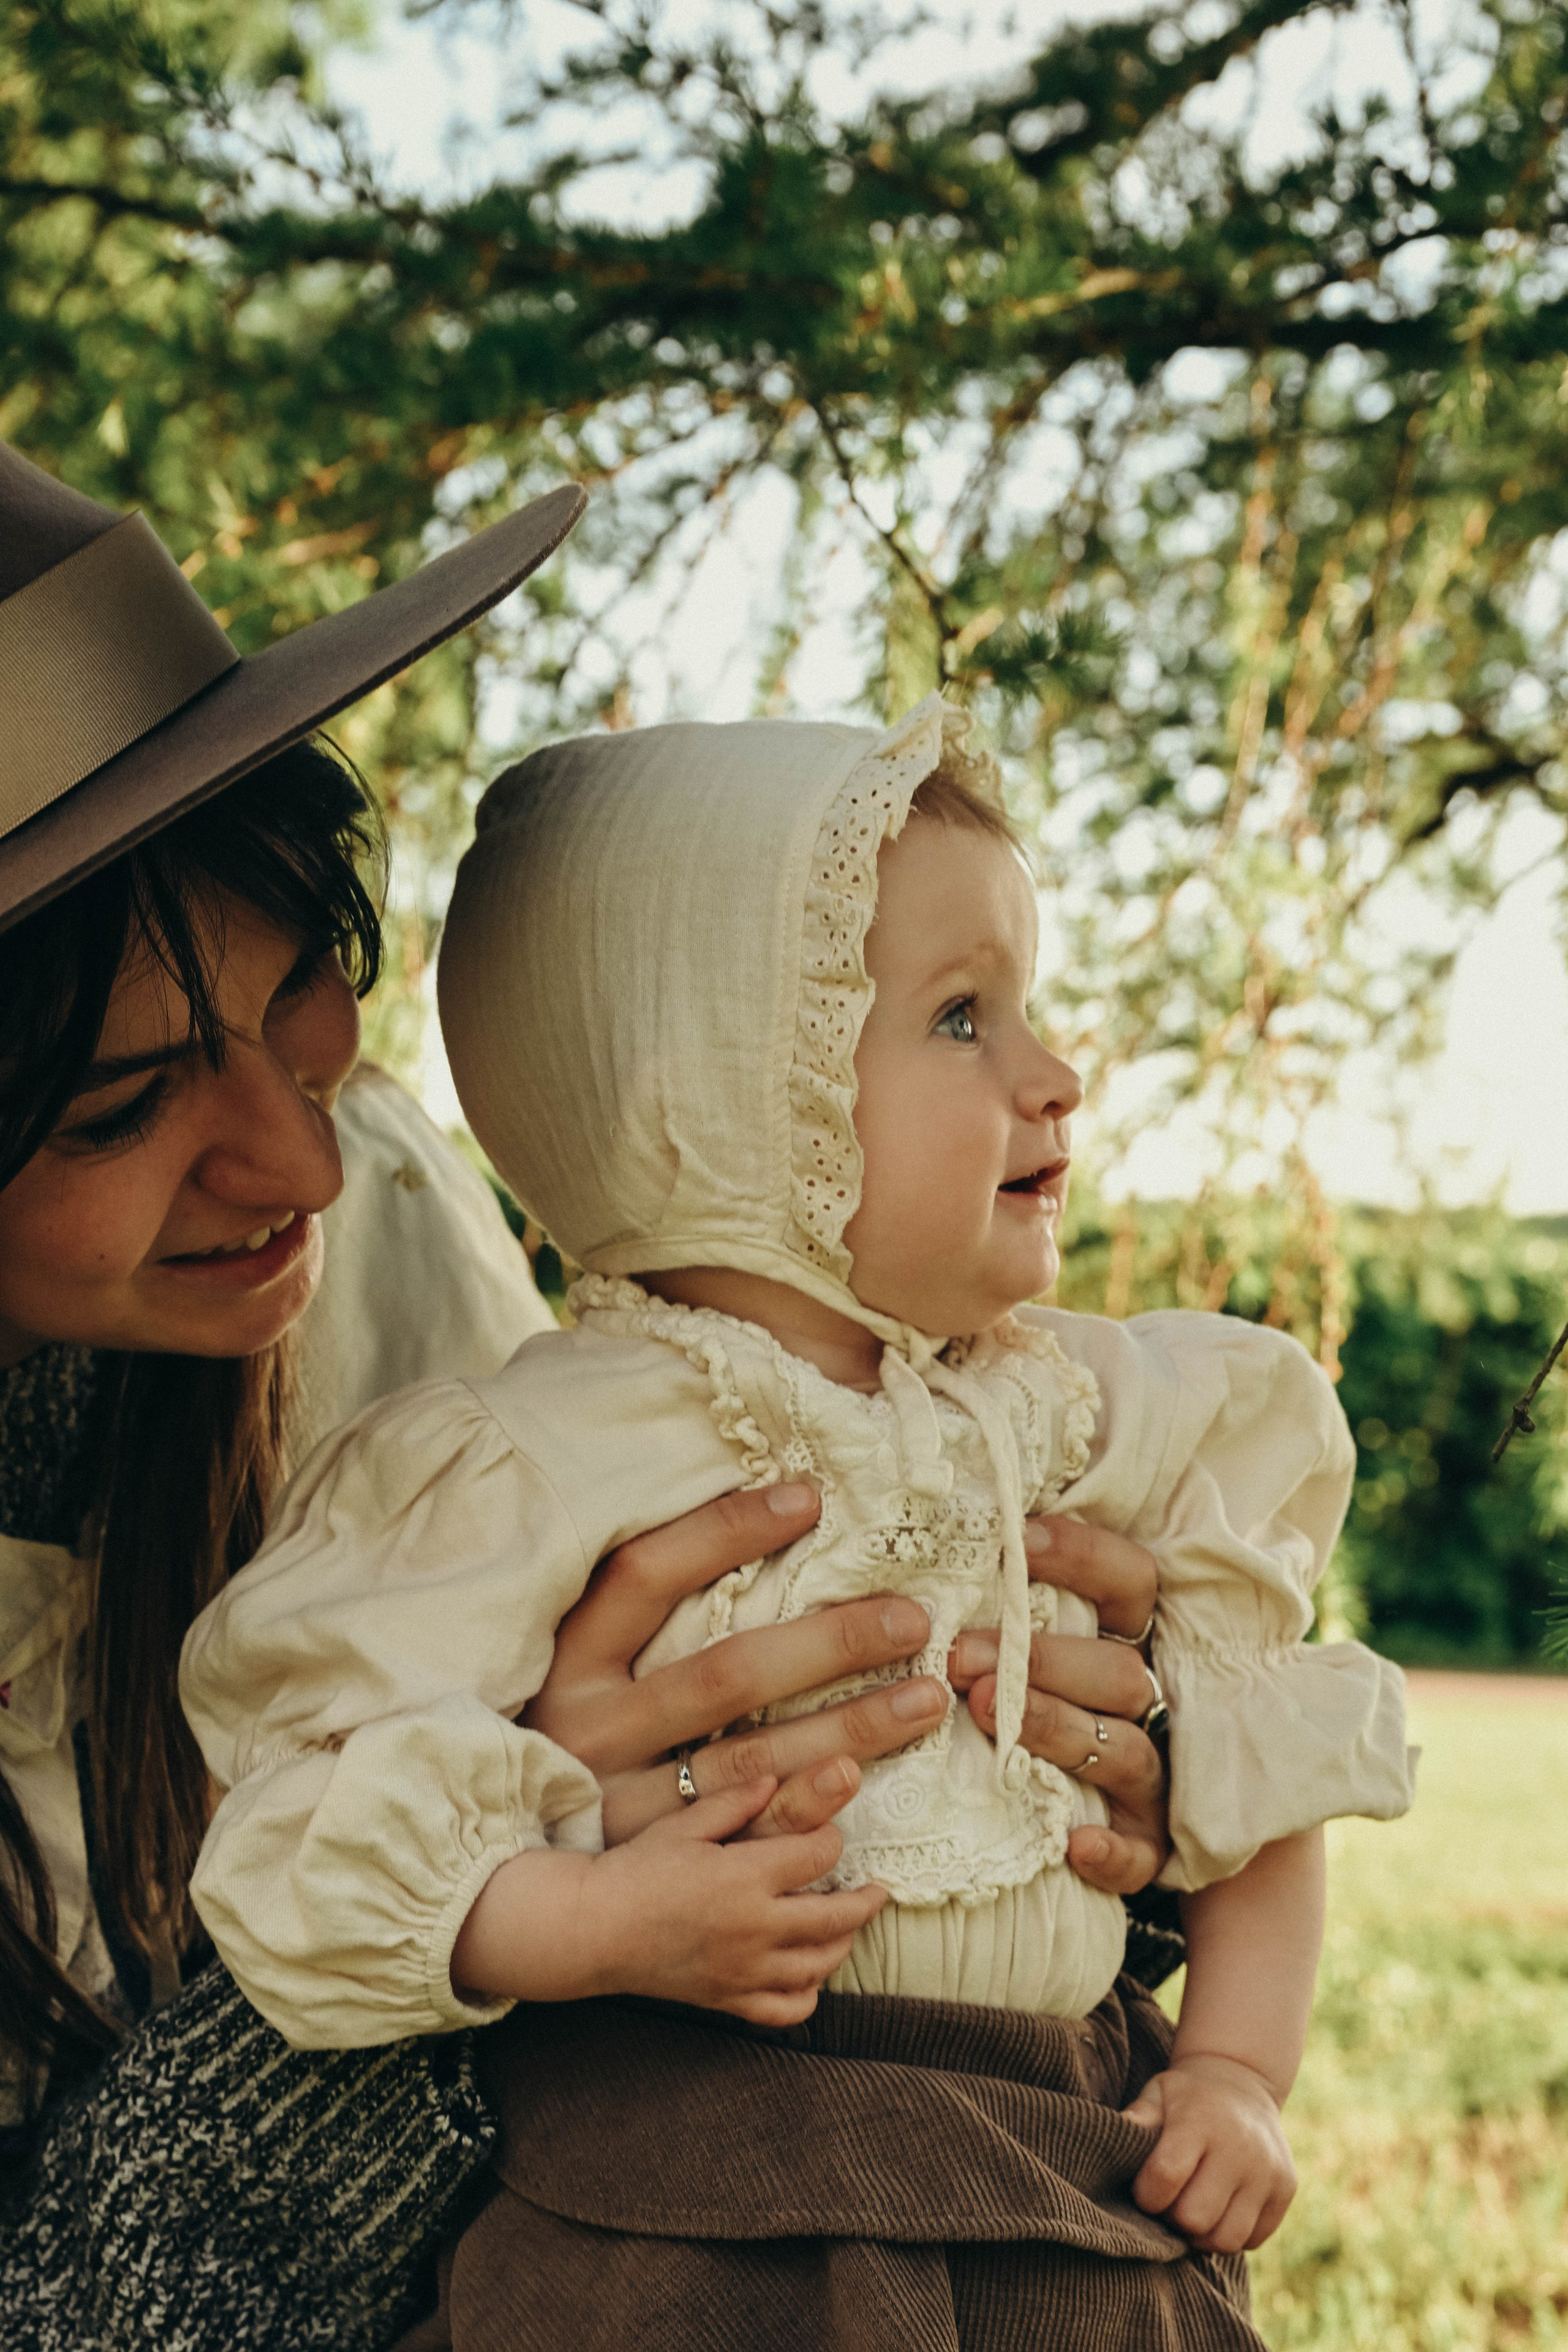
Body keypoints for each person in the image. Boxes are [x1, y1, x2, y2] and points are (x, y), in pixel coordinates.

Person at [0, 448, 1170, 2350]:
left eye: (309, 991)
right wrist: (530, 1899)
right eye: (123, 1107)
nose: (298, 1164)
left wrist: (1021, 1757)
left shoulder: (377, 1236)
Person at [181, 696, 1415, 2348]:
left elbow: (1262, 1766)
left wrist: (1238, 2071)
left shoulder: (1108, 1420)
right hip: (679, 2212)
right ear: (719, 1097)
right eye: (962, 1019)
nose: (1057, 1076)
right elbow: (301, 1820)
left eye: (1023, 1006)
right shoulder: (535, 1457)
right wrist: (589, 1918)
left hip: (1070, 2186)